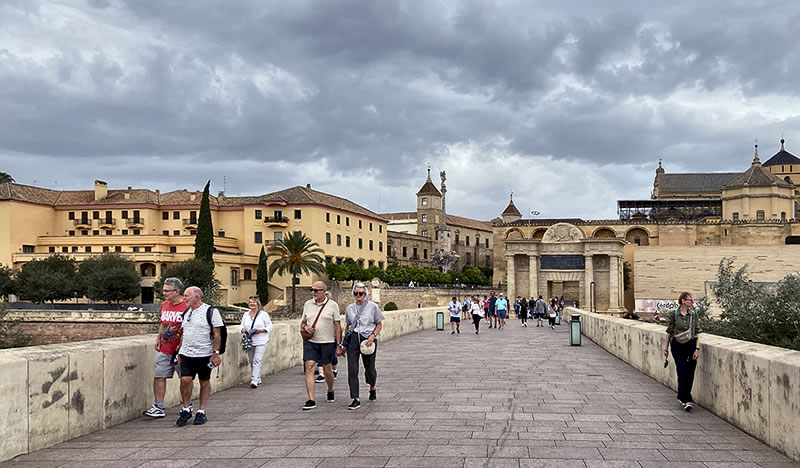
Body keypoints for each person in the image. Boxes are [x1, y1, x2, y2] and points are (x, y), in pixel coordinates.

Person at [175, 286, 224, 426]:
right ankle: (186, 408)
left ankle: (201, 411)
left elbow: (217, 334)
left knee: (204, 381)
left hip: (204, 354)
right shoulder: (186, 312)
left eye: (186, 295)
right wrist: (179, 352)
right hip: (186, 354)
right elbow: (184, 333)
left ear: (197, 297)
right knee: (185, 379)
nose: (184, 298)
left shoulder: (211, 311)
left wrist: (215, 354)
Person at [143, 277, 188, 418]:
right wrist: (158, 338)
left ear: (177, 291)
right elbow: (163, 322)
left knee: (184, 378)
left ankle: (186, 405)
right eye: (164, 290)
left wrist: (182, 344)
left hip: (180, 350)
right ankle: (159, 406)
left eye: (167, 291)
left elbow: (189, 328)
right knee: (159, 376)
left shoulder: (186, 307)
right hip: (165, 347)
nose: (164, 293)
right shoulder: (165, 305)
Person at [338, 282, 384, 410]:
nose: (358, 296)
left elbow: (379, 324)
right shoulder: (349, 309)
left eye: (361, 293)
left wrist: (372, 336)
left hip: (368, 339)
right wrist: (344, 344)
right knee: (352, 369)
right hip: (353, 338)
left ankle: (372, 387)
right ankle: (355, 398)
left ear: (365, 294)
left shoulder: (373, 307)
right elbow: (348, 326)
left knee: (369, 367)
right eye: (356, 293)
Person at [300, 281, 341, 410]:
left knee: (327, 370)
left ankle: (330, 389)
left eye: (316, 290)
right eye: (311, 290)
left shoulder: (333, 305)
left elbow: (338, 325)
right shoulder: (308, 304)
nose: (313, 293)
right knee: (309, 367)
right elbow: (302, 322)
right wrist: (305, 326)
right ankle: (311, 399)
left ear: (324, 291)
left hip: (327, 342)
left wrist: (338, 344)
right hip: (311, 342)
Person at [664, 292, 702, 411]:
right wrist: (666, 348)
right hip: (677, 345)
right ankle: (687, 399)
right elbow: (669, 332)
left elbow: (697, 332)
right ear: (683, 301)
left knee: (690, 372)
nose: (692, 302)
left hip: (690, 345)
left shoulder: (693, 315)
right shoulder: (674, 314)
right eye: (690, 300)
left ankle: (683, 396)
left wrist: (697, 349)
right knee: (682, 371)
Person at [239, 295, 273, 388]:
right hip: (250, 340)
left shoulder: (264, 314)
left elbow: (270, 326)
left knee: (257, 360)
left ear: (258, 304)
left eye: (254, 302)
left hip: (261, 340)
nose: (252, 304)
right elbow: (241, 326)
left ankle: (254, 380)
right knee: (251, 360)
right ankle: (258, 377)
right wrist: (243, 329)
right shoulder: (246, 314)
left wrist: (261, 330)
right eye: (250, 302)